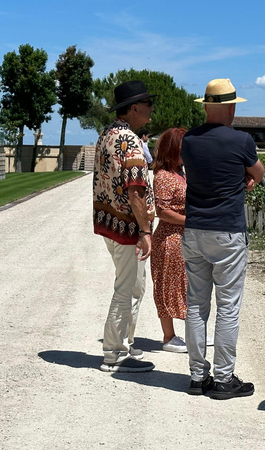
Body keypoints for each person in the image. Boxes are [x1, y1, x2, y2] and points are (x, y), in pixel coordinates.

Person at [180, 78, 265, 399]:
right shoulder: (241, 140)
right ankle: (224, 378)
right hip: (227, 230)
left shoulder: (189, 140)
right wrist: (244, 177)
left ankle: (197, 377)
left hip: (194, 230)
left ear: (205, 106)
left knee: (196, 306)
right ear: (229, 107)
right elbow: (259, 172)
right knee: (227, 307)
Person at [93, 80, 157, 373]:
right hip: (127, 227)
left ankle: (125, 344)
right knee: (126, 288)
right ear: (133, 108)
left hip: (109, 222)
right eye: (147, 105)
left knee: (134, 286)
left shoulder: (106, 134)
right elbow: (136, 190)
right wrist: (145, 231)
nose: (152, 111)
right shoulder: (130, 141)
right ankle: (114, 353)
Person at [150, 127, 189, 353]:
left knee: (186, 285)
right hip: (169, 238)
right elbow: (162, 211)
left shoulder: (181, 172)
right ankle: (169, 337)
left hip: (183, 236)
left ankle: (192, 332)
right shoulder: (164, 176)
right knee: (168, 285)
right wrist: (191, 220)